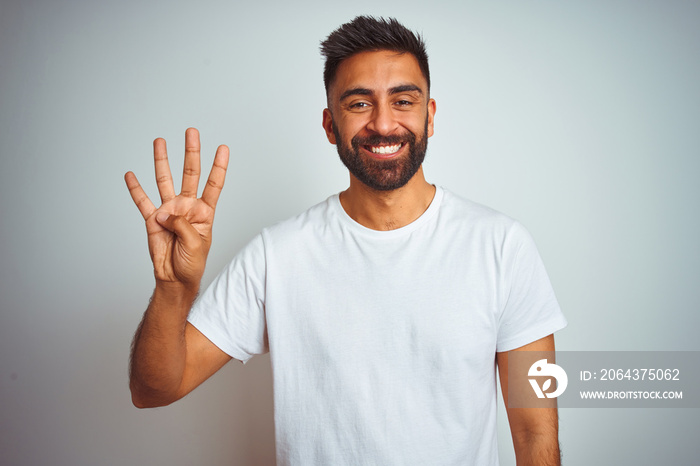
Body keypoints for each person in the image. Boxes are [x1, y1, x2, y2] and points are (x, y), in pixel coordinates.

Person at [125, 16, 566, 466]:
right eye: (358, 103)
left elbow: (534, 434)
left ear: (429, 116)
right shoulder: (277, 257)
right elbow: (154, 389)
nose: (383, 123)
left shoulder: (502, 246)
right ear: (330, 125)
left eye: (403, 100)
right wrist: (173, 289)